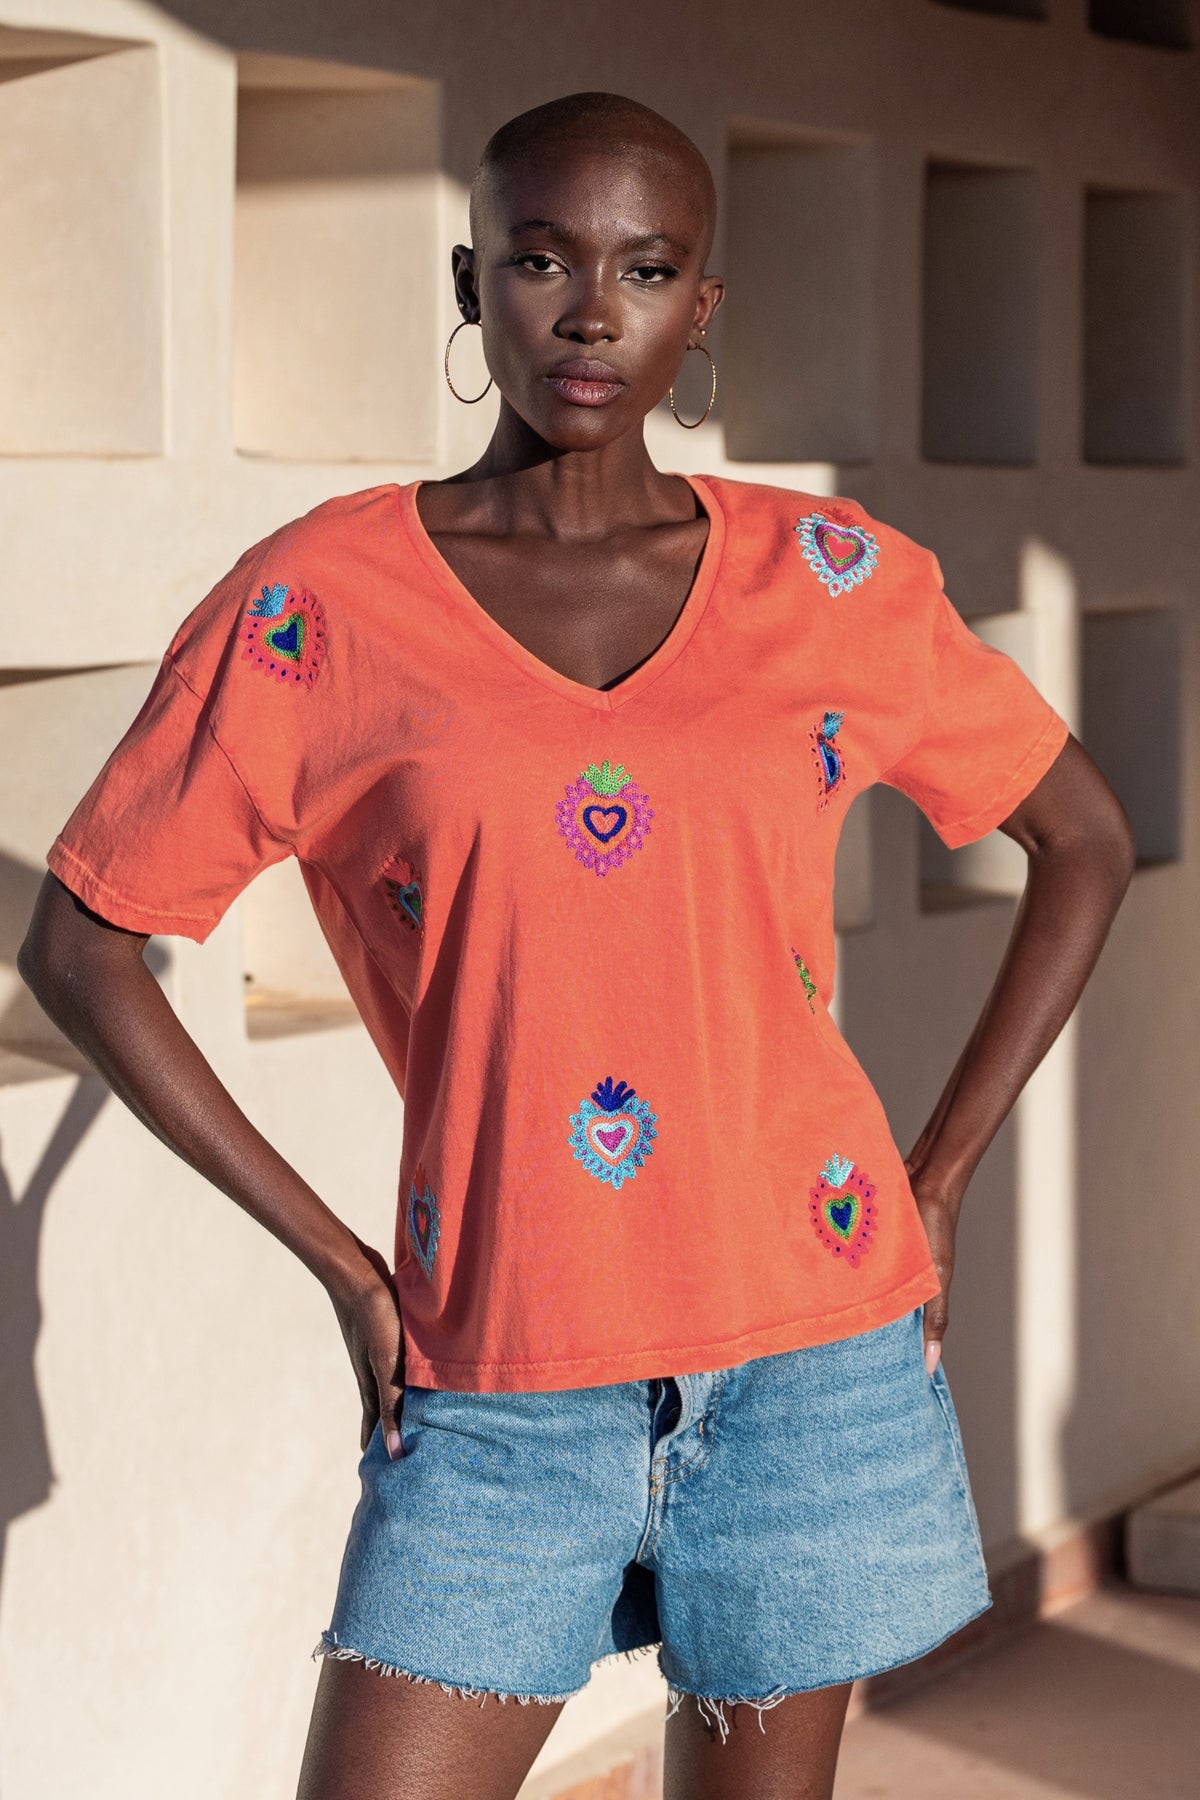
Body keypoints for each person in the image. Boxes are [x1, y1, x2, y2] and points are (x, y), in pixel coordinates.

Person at [18, 89, 1134, 1800]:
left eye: (648, 265)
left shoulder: (829, 582)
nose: (593, 310)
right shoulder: (320, 603)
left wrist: (946, 1171)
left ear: (703, 310)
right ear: (472, 287)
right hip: (496, 1365)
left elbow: (1083, 838)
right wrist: (342, 1266)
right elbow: (83, 939)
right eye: (541, 259)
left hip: (810, 1348)